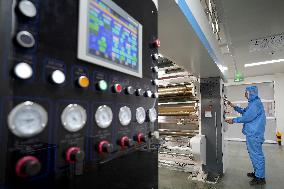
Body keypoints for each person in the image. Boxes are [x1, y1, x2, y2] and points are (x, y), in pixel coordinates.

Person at [225, 86, 266, 185]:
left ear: (251, 93)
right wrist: (233, 106)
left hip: (254, 134)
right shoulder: (253, 103)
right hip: (252, 133)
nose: (245, 94)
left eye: (246, 92)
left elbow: (247, 117)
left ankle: (260, 178)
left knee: (257, 155)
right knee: (254, 154)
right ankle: (257, 173)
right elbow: (244, 112)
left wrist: (233, 120)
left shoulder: (255, 104)